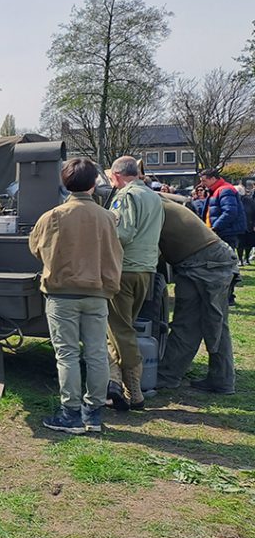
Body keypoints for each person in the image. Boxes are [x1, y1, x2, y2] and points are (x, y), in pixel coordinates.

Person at [29, 158, 123, 434]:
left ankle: (70, 414)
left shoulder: (53, 216)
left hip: (62, 294)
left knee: (67, 354)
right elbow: (116, 254)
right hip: (97, 292)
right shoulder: (108, 217)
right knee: (96, 353)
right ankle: (93, 414)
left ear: (64, 182)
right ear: (94, 183)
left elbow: (36, 248)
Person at [155, 196, 239, 395]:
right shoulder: (159, 201)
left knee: (199, 322)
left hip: (203, 263)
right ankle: (220, 379)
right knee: (209, 323)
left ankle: (169, 375)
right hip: (207, 260)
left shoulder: (146, 204)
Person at [106, 156, 164, 411]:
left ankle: (134, 390)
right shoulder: (153, 196)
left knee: (120, 329)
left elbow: (123, 233)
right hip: (145, 269)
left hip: (125, 268)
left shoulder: (125, 196)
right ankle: (114, 383)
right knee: (121, 327)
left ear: (117, 175)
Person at [198, 168, 246, 305]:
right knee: (221, 267)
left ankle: (228, 297)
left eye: (204, 180)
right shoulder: (218, 190)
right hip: (221, 233)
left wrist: (215, 227)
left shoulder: (225, 190)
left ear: (213, 179)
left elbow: (230, 212)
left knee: (224, 267)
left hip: (225, 234)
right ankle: (225, 296)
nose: (202, 184)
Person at [240, 185, 255, 265]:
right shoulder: (236, 200)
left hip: (249, 224)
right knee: (240, 244)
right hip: (240, 226)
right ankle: (240, 259)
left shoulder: (250, 201)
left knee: (249, 243)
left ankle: (246, 258)